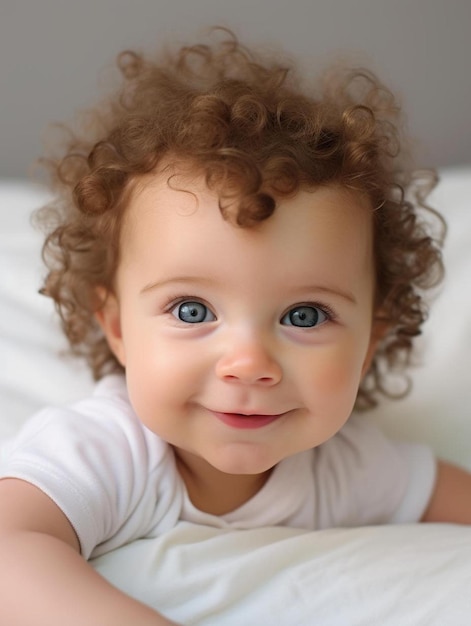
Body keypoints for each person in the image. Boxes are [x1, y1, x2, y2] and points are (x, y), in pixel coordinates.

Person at [1, 27, 471, 626]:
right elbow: (11, 550)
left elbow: (449, 496)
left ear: (370, 340)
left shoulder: (343, 466)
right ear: (116, 326)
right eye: (192, 311)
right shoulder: (106, 451)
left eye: (305, 316)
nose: (249, 362)